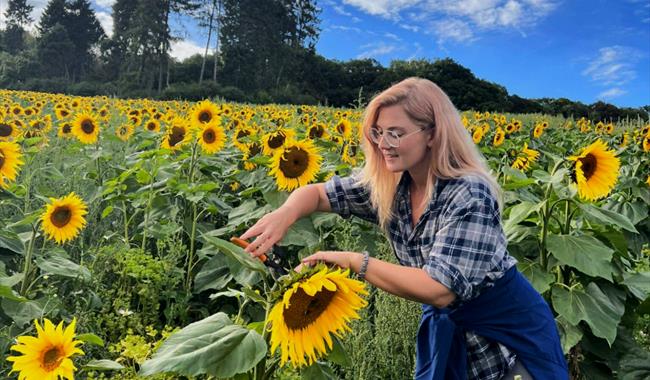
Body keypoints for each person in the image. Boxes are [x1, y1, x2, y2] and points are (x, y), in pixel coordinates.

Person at [240, 77, 568, 379]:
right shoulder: (392, 184)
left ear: (432, 133)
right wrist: (285, 214)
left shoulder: (468, 193)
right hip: (449, 329)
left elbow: (440, 288)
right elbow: (319, 194)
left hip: (505, 337)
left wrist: (357, 262)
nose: (383, 143)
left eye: (395, 133)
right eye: (378, 132)